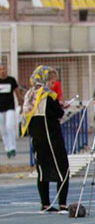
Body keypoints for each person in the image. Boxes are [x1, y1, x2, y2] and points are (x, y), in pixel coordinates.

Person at [23, 66, 68, 211]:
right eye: (51, 81)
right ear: (45, 80)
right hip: (51, 137)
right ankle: (62, 204)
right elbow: (58, 113)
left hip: (36, 138)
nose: (52, 84)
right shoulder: (47, 95)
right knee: (63, 169)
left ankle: (45, 203)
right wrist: (62, 107)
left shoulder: (29, 95)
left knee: (42, 170)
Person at [0, 62, 21, 158]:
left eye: (4, 69)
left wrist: (21, 103)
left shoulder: (11, 80)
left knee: (9, 126)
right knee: (3, 129)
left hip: (10, 108)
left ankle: (13, 147)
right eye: (0, 70)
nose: (2, 71)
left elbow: (17, 92)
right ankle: (7, 148)